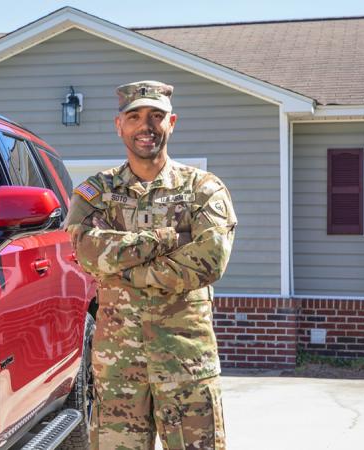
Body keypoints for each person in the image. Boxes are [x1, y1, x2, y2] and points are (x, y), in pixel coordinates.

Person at [65, 80, 237, 450]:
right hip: (119, 366)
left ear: (171, 122)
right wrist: (163, 240)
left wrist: (126, 269)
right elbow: (85, 249)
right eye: (135, 116)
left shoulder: (203, 189)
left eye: (156, 116)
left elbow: (209, 259)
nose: (146, 126)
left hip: (186, 362)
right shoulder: (97, 192)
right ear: (119, 125)